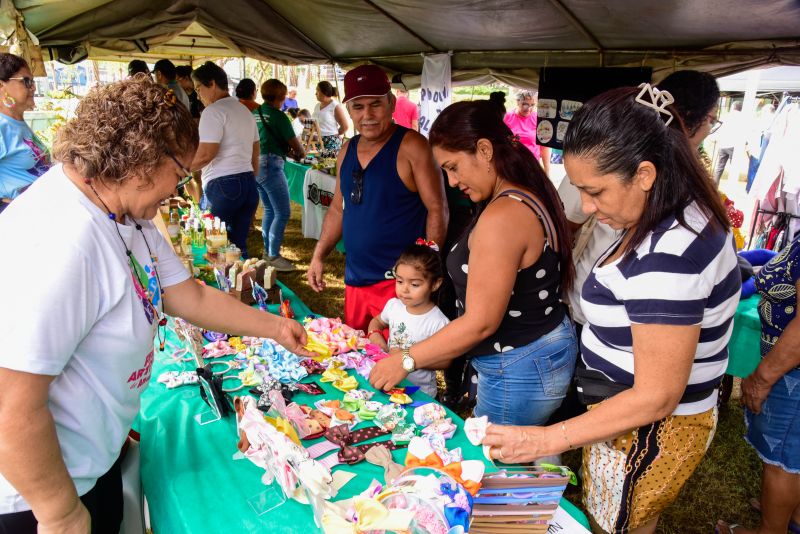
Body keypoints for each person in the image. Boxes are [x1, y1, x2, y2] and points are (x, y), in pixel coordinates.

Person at [0, 76, 310, 534]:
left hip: (86, 465)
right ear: (142, 157)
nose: (181, 188)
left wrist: (275, 328)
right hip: (40, 496)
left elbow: (188, 295)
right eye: (180, 173)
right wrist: (60, 513)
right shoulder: (63, 240)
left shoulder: (123, 212)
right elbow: (11, 405)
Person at [482, 85, 740, 534]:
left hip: (645, 430)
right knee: (630, 520)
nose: (585, 206)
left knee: (619, 525)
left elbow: (657, 395)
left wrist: (542, 439)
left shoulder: (668, 256)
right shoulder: (675, 210)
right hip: (635, 423)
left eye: (595, 191)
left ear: (644, 174)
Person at [369, 99, 577, 429]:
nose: (451, 182)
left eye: (453, 167)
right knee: (528, 456)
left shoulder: (503, 216)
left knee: (501, 467)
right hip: (534, 352)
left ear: (483, 150)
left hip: (519, 362)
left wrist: (407, 360)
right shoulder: (524, 194)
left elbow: (481, 322)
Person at [307, 64, 447, 332]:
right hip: (356, 278)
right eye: (358, 107)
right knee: (358, 356)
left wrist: (425, 272)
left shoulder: (412, 146)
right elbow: (338, 209)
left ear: (391, 103)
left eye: (376, 105)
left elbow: (437, 209)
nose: (367, 115)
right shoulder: (347, 149)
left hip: (397, 284)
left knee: (395, 362)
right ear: (348, 110)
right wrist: (319, 255)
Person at [716, 237, 800, 534]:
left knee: (782, 461)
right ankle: (792, 516)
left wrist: (763, 377)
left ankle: (772, 529)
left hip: (794, 376)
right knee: (793, 458)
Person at [190, 61, 260, 257]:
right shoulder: (244, 110)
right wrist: (250, 178)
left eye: (199, 88)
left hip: (222, 185)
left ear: (212, 83)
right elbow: (256, 151)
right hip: (247, 183)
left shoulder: (213, 112)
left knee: (213, 246)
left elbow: (206, 154)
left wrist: (181, 168)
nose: (198, 95)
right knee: (237, 248)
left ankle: (220, 287)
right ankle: (243, 285)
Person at [366, 242, 449, 397]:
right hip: (389, 385)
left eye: (415, 284)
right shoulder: (393, 306)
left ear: (435, 284)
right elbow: (376, 321)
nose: (404, 289)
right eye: (399, 281)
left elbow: (445, 361)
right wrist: (375, 335)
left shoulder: (438, 322)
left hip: (419, 393)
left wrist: (406, 358)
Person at [253, 79, 305, 271]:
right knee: (282, 212)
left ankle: (267, 253)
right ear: (282, 97)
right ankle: (273, 256)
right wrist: (300, 153)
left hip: (255, 163)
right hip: (270, 165)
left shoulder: (254, 113)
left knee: (269, 210)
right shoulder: (279, 116)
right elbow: (296, 146)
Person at [0, 53, 50, 215]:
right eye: (26, 81)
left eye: (33, 81)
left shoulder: (18, 123)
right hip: (21, 219)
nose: (33, 87)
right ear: (2, 86)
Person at [504, 90, 550, 175]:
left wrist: (547, 170)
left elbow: (544, 146)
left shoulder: (538, 119)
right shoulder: (507, 117)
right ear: (518, 102)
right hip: (512, 166)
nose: (529, 108)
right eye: (525, 104)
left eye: (532, 105)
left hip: (532, 167)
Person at [712, 100, 744, 184]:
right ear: (741, 108)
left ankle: (715, 187)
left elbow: (716, 128)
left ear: (733, 107)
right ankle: (731, 187)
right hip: (734, 145)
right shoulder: (742, 117)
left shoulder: (725, 116)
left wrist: (715, 138)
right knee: (734, 169)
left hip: (723, 144)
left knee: (719, 168)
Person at [312, 81, 348, 152]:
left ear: (324, 92)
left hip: (331, 143)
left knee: (328, 162)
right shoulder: (317, 106)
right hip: (317, 141)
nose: (315, 93)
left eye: (317, 90)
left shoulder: (335, 106)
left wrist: (333, 135)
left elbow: (345, 126)